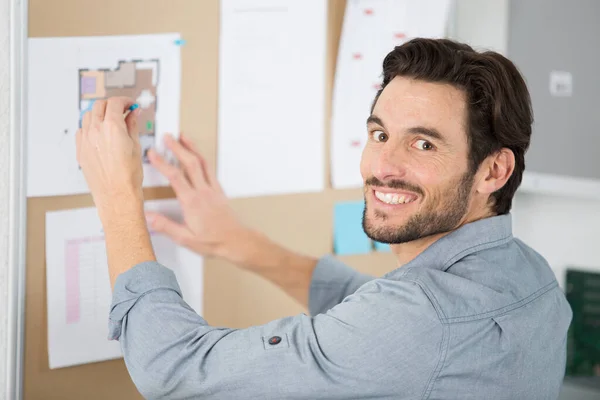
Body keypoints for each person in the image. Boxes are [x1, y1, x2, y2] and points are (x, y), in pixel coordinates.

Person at [76, 38, 572, 399]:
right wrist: (239, 243)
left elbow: (176, 370)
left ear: (494, 170)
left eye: (423, 143)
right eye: (380, 134)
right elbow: (376, 318)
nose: (383, 166)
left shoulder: (423, 319)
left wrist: (118, 197)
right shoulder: (531, 279)